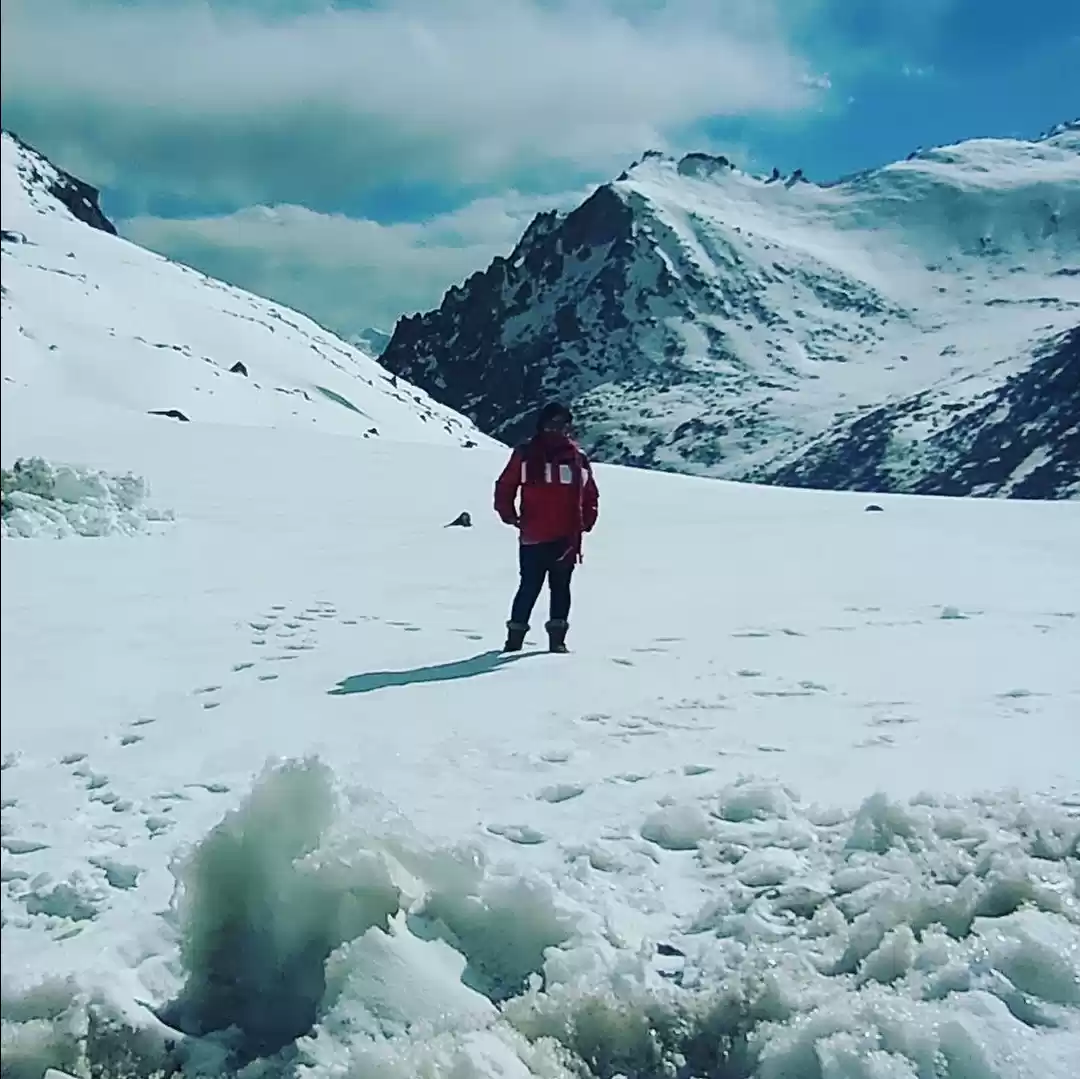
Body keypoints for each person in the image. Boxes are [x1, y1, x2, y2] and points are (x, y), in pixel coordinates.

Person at [493, 402, 599, 653]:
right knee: (531, 586)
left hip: (564, 535)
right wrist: (507, 513)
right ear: (542, 424)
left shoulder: (577, 459)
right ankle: (516, 640)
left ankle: (554, 641)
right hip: (537, 534)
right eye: (552, 423)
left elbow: (590, 493)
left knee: (557, 587)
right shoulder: (526, 454)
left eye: (562, 425)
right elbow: (506, 485)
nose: (557, 429)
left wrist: (588, 519)